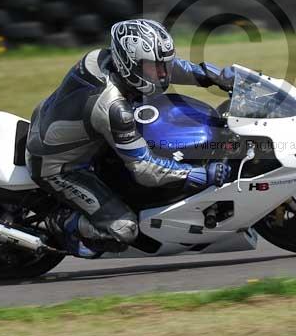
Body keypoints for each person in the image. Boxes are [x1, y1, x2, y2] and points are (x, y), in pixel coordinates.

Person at [25, 19, 235, 257]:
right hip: (60, 166)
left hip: (63, 127)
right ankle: (60, 222)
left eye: (162, 65)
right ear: (128, 64)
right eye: (154, 67)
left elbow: (167, 67)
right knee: (124, 229)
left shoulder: (103, 58)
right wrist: (195, 174)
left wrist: (212, 76)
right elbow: (145, 169)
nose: (163, 74)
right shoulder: (113, 107)